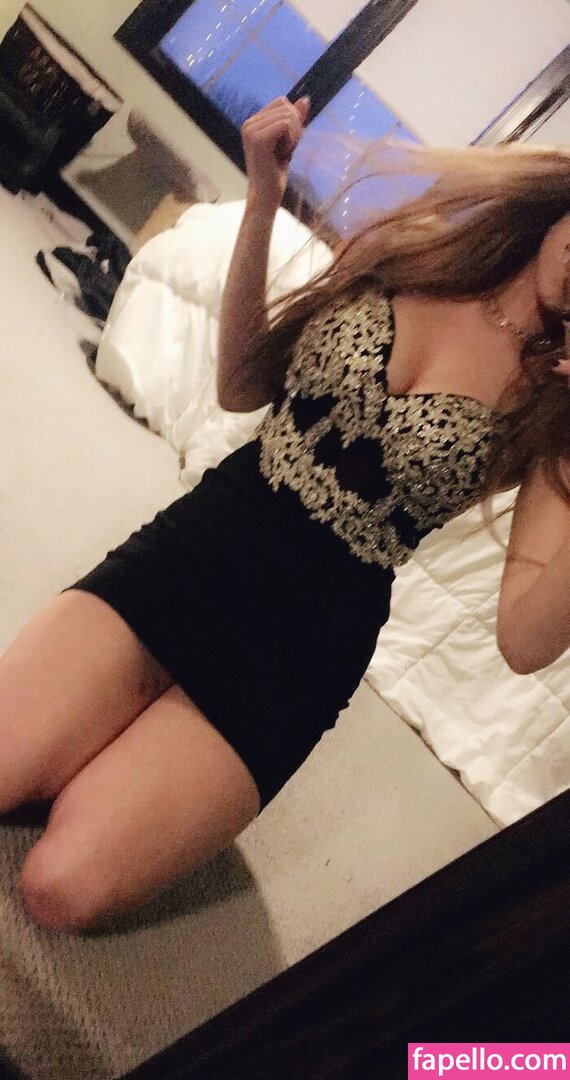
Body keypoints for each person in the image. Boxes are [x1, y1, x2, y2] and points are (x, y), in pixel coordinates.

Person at [1, 97, 569, 934]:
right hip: (200, 549)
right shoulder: (411, 251)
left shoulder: (554, 412)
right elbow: (241, 385)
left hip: (301, 646)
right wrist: (262, 197)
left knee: (61, 886)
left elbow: (527, 641)